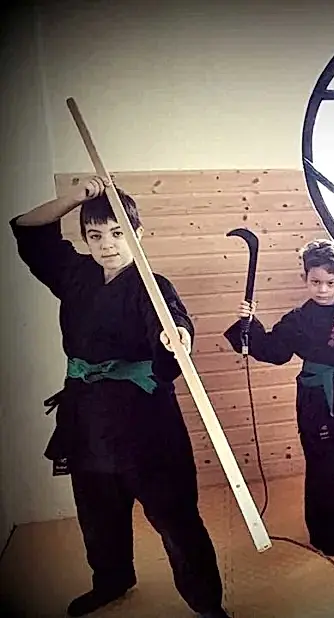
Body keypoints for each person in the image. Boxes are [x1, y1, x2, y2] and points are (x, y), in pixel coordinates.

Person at [10, 177, 229, 617]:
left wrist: (176, 337)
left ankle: (207, 604)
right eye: (95, 235)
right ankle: (112, 581)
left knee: (175, 516)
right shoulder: (76, 275)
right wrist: (75, 198)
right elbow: (28, 229)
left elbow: (173, 322)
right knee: (97, 512)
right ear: (85, 238)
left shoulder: (152, 285)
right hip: (87, 417)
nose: (107, 245)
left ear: (138, 233)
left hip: (145, 422)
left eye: (118, 233)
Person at [224, 239, 334, 556]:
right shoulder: (297, 320)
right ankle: (323, 533)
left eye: (330, 283)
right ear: (305, 279)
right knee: (322, 464)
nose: (323, 289)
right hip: (315, 397)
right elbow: (274, 350)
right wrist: (248, 325)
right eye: (316, 282)